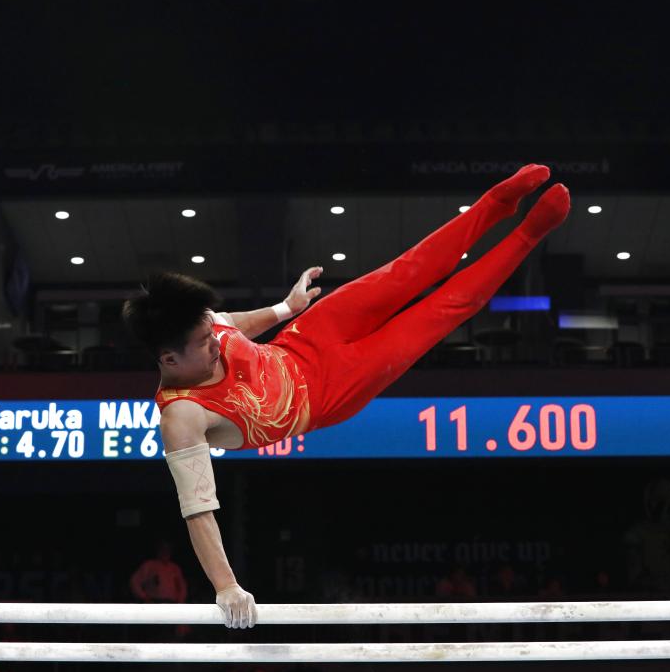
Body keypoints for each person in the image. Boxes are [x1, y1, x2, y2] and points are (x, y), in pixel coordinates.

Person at [122, 165, 570, 629]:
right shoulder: (183, 415)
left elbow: (231, 322)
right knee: (441, 311)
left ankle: (496, 203)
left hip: (307, 336)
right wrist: (226, 586)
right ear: (169, 359)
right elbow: (199, 511)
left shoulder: (202, 327)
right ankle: (529, 234)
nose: (215, 342)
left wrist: (286, 308)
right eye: (203, 344)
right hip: (330, 390)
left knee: (409, 270)